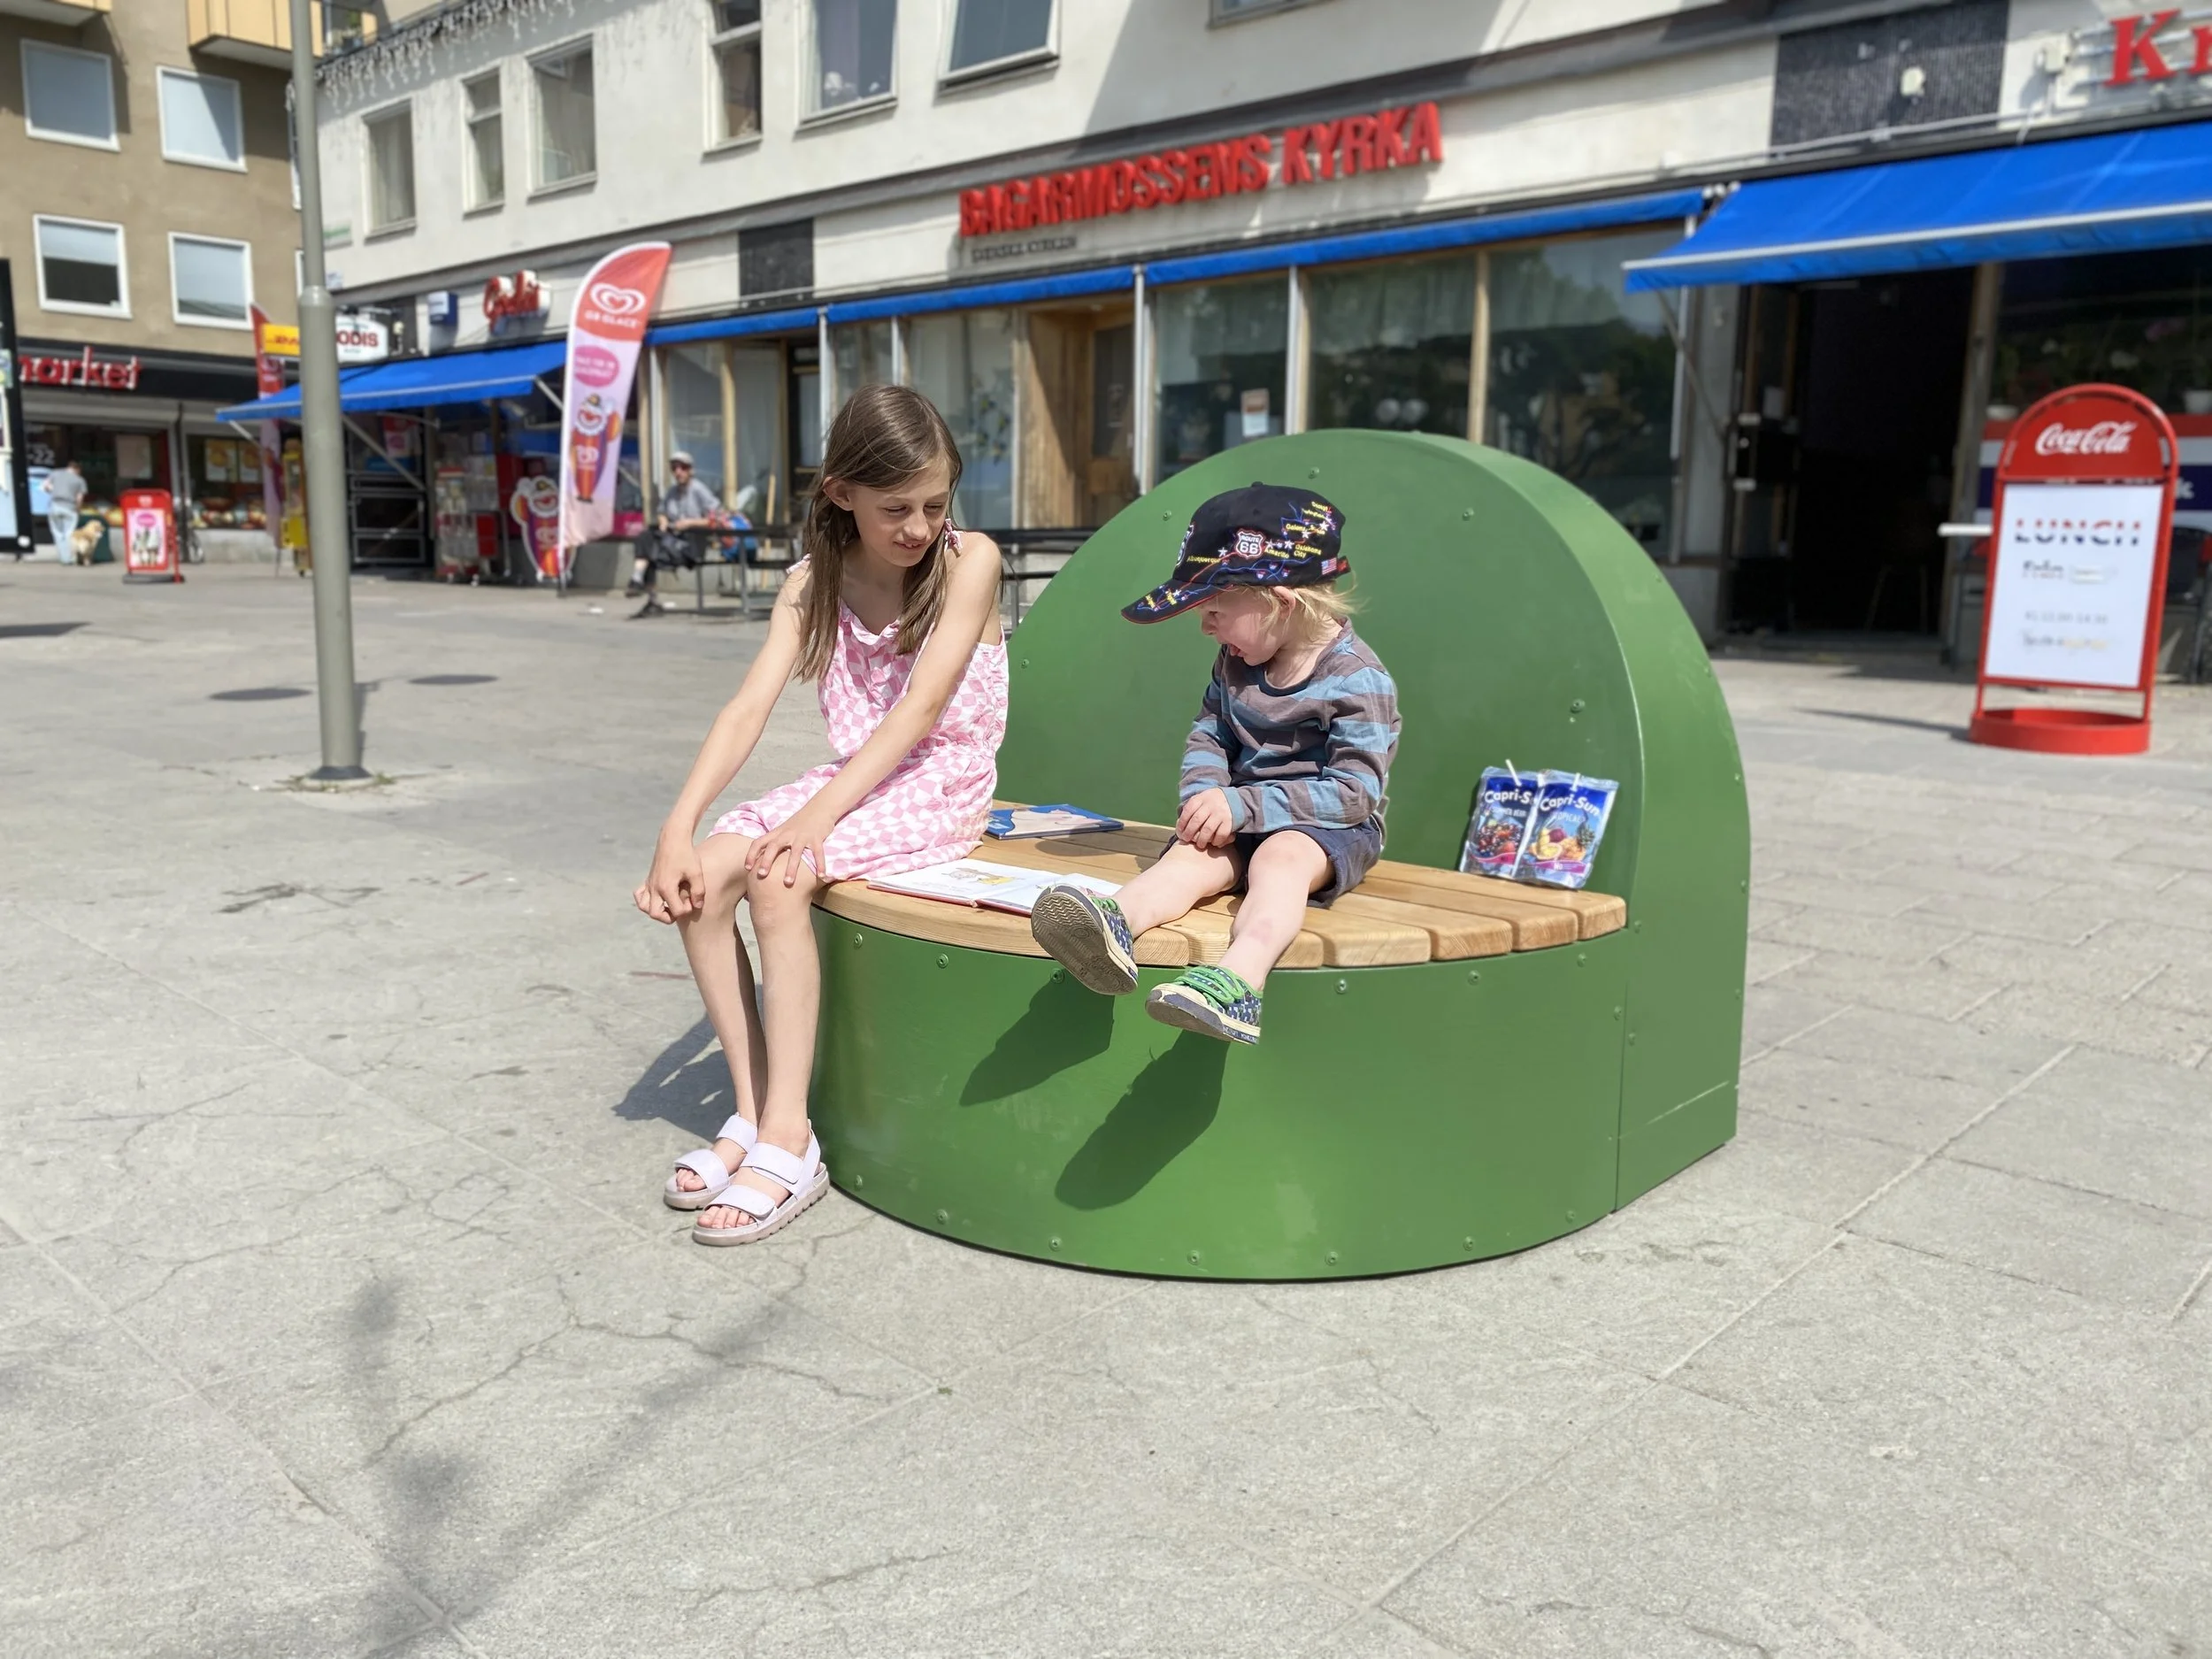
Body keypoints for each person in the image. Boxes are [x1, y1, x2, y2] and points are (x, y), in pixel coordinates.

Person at [634, 386, 1006, 1244]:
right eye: (895, 508)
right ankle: (753, 1106)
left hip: (942, 779)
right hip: (859, 778)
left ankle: (790, 1139)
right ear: (841, 492)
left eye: (934, 504)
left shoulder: (970, 561)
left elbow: (920, 711)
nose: (919, 527)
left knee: (779, 874)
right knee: (705, 880)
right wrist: (676, 829)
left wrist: (815, 821)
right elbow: (746, 709)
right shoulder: (814, 581)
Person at [1028, 484, 1398, 1045]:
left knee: (1278, 859)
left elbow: (1354, 793)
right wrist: (1205, 794)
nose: (1206, 626)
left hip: (1327, 829)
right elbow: (1211, 732)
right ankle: (1113, 924)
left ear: (1280, 601)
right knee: (1190, 857)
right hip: (1240, 812)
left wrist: (1242, 804)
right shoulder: (1235, 660)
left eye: (1215, 610)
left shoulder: (1357, 679)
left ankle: (1241, 981)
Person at [628, 450, 721, 615]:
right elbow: (662, 511)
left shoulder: (698, 490)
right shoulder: (672, 492)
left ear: (690, 470)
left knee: (650, 550)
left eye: (683, 468)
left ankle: (638, 580)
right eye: (674, 468)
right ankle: (641, 585)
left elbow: (716, 518)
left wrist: (690, 523)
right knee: (646, 538)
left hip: (691, 545)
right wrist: (663, 521)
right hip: (672, 540)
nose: (678, 472)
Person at [43, 459, 87, 566]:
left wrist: (53, 490)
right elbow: (79, 498)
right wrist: (78, 509)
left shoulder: (55, 473)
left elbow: (46, 486)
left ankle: (63, 558)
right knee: (69, 534)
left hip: (55, 506)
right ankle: (69, 558)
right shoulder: (80, 480)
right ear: (77, 469)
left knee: (57, 533)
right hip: (70, 508)